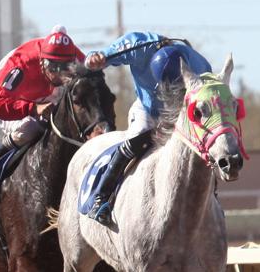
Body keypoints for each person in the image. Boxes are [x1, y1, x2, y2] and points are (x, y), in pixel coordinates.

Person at [83, 31, 211, 225]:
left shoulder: (200, 67)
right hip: (147, 109)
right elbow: (99, 57)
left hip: (179, 113)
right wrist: (93, 58)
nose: (165, 92)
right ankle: (101, 196)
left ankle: (212, 202)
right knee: (136, 139)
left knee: (203, 149)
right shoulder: (138, 46)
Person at [0, 25, 84, 195]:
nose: (59, 75)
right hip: (15, 96)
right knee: (31, 128)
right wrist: (33, 108)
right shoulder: (19, 67)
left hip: (46, 91)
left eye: (65, 68)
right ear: (42, 62)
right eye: (54, 69)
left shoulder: (76, 59)